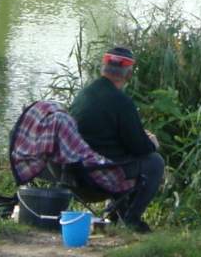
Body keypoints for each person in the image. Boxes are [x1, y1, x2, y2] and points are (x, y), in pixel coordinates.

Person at [68, 46, 164, 233]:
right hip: (98, 176)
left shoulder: (84, 94)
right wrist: (151, 142)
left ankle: (115, 214)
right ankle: (132, 220)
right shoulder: (122, 102)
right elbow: (139, 148)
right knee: (155, 162)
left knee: (122, 158)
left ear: (103, 68)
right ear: (128, 75)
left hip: (76, 172)